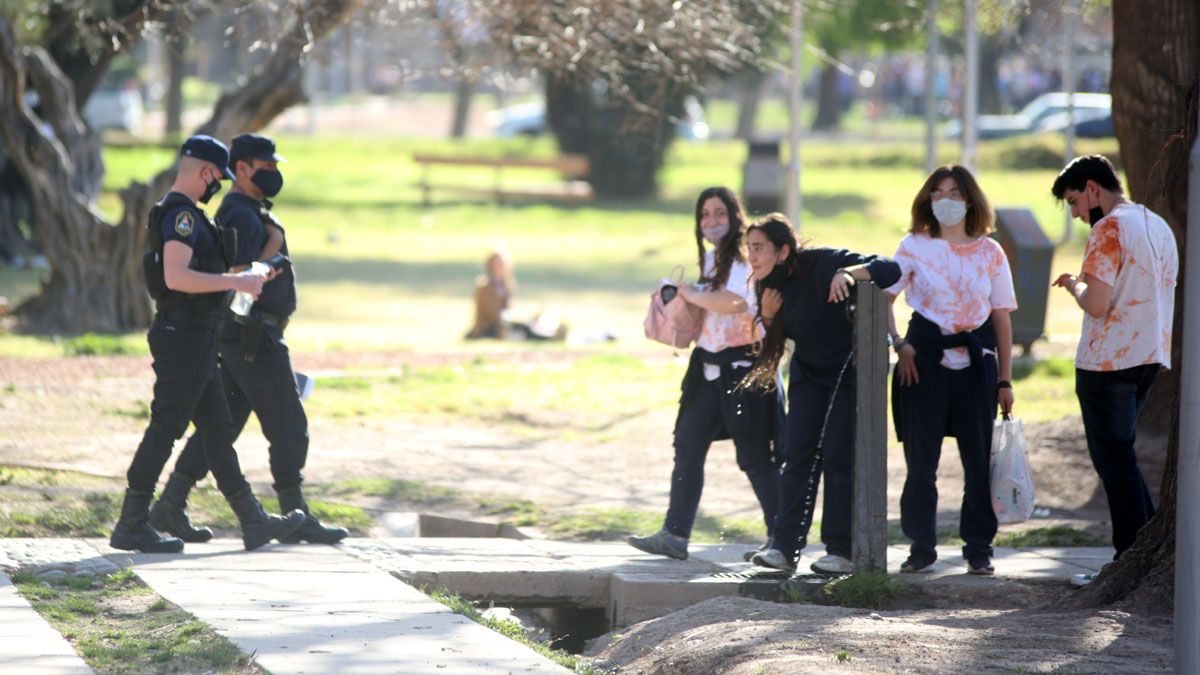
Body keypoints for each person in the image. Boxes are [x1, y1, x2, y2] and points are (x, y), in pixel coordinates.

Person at [148, 134, 347, 546]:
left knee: (221, 428)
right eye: (266, 165)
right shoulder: (239, 212)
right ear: (241, 168)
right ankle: (296, 511)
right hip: (252, 334)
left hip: (244, 335)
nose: (274, 173)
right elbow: (237, 272)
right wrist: (274, 244)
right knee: (289, 423)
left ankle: (171, 502)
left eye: (275, 166)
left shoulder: (250, 209)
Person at [109, 135, 305, 554]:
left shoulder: (192, 216)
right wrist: (235, 280)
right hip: (182, 338)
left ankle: (252, 520)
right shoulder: (180, 216)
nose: (220, 185)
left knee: (218, 430)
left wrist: (248, 277)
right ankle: (131, 522)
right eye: (219, 177)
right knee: (166, 429)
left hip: (199, 337)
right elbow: (177, 277)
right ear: (206, 172)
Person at [627, 187, 782, 561]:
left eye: (719, 214)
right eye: (704, 215)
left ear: (735, 216)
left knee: (755, 457)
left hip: (744, 368)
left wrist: (692, 294)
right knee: (687, 445)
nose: (711, 222)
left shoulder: (745, 255)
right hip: (708, 368)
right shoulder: (714, 258)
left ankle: (782, 538)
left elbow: (736, 303)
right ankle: (674, 534)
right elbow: (712, 308)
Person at [742, 213, 901, 575]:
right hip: (808, 374)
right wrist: (765, 317)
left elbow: (891, 269)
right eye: (749, 248)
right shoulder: (766, 285)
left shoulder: (823, 262)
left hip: (847, 371)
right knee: (796, 453)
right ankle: (783, 548)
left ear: (783, 250)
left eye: (759, 248)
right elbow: (771, 349)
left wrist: (849, 273)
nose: (752, 257)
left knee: (836, 454)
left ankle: (840, 550)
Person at [884, 165, 1017, 576]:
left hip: (976, 364)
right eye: (938, 193)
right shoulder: (913, 246)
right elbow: (885, 298)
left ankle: (978, 547)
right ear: (928, 199)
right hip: (922, 362)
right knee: (921, 463)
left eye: (955, 193)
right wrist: (900, 345)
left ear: (970, 199)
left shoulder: (990, 252)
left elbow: (1001, 319)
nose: (946, 201)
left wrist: (1005, 379)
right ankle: (920, 547)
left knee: (977, 461)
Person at [1050, 154, 1178, 561]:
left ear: (1092, 188)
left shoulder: (1108, 228)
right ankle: (1146, 541)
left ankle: (1130, 553)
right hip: (1149, 357)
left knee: (1114, 462)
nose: (1075, 214)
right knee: (1122, 456)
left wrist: (1074, 285)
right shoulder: (1156, 224)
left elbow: (1098, 304)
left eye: (1073, 201)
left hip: (1107, 364)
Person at [466, 250, 516, 339]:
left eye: (501, 263)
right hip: (487, 328)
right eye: (497, 263)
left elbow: (508, 309)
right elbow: (491, 313)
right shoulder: (484, 285)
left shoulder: (506, 285)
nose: (500, 266)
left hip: (502, 325)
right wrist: (504, 324)